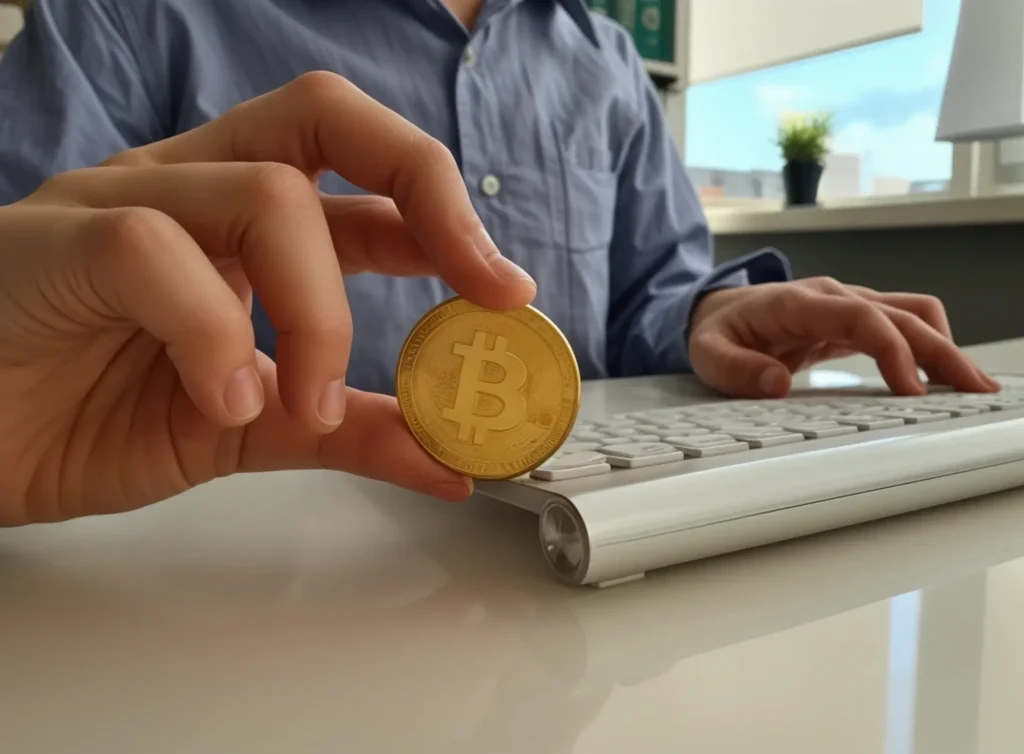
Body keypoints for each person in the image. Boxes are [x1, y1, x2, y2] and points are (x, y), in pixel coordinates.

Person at [0, 2, 998, 526]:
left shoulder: (609, 59)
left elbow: (645, 302)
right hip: (215, 578)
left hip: (575, 562)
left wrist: (705, 316)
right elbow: (39, 294)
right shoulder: (124, 15)